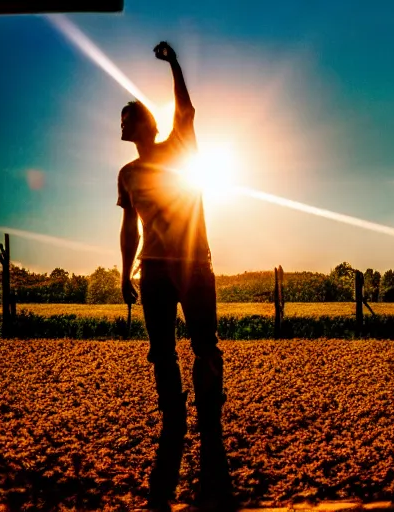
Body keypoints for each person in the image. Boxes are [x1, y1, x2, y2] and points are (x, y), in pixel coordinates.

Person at [116, 41, 236, 512]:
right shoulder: (127, 173)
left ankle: (209, 416)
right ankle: (174, 417)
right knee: (161, 351)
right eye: (121, 121)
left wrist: (174, 63)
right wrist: (125, 271)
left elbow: (186, 108)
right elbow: (129, 226)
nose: (122, 125)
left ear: (145, 122)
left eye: (127, 118)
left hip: (194, 265)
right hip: (154, 272)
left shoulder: (177, 146)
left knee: (205, 344)